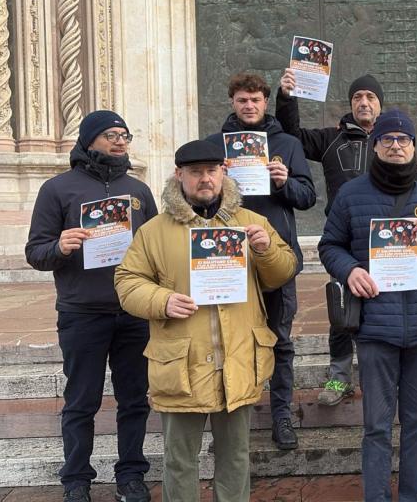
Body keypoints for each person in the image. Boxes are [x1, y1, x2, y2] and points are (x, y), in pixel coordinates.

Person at [114, 140, 298, 502]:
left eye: (211, 171)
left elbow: (283, 272)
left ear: (223, 173)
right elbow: (127, 282)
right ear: (179, 175)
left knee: (235, 458)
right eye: (196, 172)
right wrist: (162, 300)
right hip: (182, 364)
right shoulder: (154, 232)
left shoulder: (252, 222)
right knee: (180, 461)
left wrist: (265, 249)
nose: (205, 179)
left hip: (239, 359)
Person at [318, 109, 417, 502]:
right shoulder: (352, 194)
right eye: (387, 140)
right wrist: (350, 269)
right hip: (374, 328)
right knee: (376, 426)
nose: (396, 146)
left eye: (403, 140)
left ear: (414, 146)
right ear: (375, 145)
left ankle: (411, 496)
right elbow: (329, 245)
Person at [25, 110, 157, 502]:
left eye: (124, 134)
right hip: (82, 312)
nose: (119, 141)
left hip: (134, 311)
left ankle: (131, 475)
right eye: (110, 134)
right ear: (89, 139)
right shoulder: (58, 189)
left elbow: (156, 247)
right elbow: (35, 251)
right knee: (82, 401)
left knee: (134, 399)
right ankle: (76, 480)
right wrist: (59, 247)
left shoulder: (139, 191)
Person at [205, 72, 316, 450]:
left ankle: (281, 415)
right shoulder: (214, 146)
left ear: (265, 102)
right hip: (225, 259)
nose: (249, 106)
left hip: (276, 258)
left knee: (280, 340)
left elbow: (308, 197)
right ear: (232, 103)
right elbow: (198, 200)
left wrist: (285, 180)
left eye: (255, 99)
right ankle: (230, 417)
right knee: (227, 339)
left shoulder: (287, 143)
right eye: (241, 100)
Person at [277, 70, 384, 406]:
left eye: (369, 98)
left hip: (387, 243)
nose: (363, 103)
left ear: (380, 104)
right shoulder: (331, 138)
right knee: (343, 310)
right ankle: (340, 378)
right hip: (344, 240)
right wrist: (286, 97)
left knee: (383, 311)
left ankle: (378, 379)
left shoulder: (394, 139)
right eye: (357, 98)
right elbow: (291, 135)